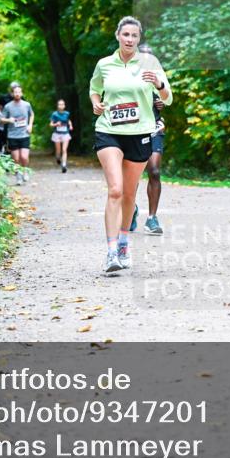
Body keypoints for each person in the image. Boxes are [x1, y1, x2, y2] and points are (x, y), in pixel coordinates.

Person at [90, 16, 172, 272]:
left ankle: (124, 241)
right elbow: (94, 88)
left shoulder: (150, 63)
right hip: (109, 131)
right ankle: (112, 251)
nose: (130, 39)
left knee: (128, 193)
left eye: (134, 36)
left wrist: (158, 84)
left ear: (139, 38)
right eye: (126, 35)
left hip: (140, 132)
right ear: (118, 36)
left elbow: (167, 98)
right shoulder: (105, 64)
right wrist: (95, 102)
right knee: (114, 190)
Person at [138, 43, 165, 235]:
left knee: (154, 171)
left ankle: (151, 218)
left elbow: (166, 97)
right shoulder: (128, 76)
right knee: (129, 176)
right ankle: (130, 209)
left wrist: (162, 101)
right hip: (132, 130)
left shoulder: (159, 78)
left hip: (154, 127)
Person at [1, 84, 34, 185]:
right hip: (12, 136)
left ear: (22, 93)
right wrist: (8, 120)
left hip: (24, 135)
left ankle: (24, 171)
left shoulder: (27, 105)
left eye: (19, 92)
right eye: (15, 92)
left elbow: (32, 114)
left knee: (24, 157)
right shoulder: (8, 106)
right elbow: (1, 120)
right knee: (16, 158)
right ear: (12, 94)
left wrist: (30, 125)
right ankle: (18, 176)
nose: (17, 94)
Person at [49, 99, 73, 173]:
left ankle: (64, 165)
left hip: (65, 133)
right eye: (59, 104)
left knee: (64, 150)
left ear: (64, 105)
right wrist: (56, 124)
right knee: (58, 151)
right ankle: (58, 158)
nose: (61, 106)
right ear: (57, 105)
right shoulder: (54, 114)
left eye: (62, 104)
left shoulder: (67, 113)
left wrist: (71, 125)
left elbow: (68, 120)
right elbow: (50, 124)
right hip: (57, 134)